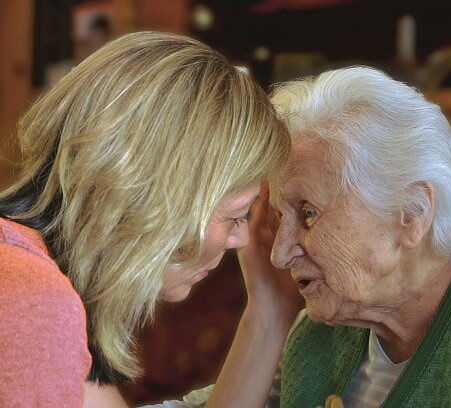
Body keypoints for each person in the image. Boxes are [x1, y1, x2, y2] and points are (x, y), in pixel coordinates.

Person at [173, 66, 451, 407]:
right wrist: (266, 310)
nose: (280, 254)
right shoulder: (316, 334)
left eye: (307, 214)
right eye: (276, 218)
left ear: (411, 214)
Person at [0, 31, 302, 407]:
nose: (241, 240)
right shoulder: (32, 303)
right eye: (239, 215)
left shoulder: (36, 282)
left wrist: (269, 307)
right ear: (166, 196)